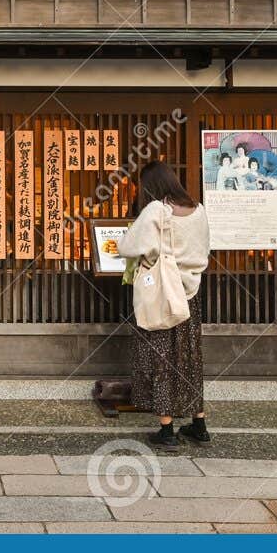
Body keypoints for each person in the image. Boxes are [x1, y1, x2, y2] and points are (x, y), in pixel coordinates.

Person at [116, 161, 212, 447]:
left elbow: (128, 247)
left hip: (162, 293)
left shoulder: (157, 210)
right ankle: (199, 423)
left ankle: (167, 429)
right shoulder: (199, 209)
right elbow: (205, 248)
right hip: (189, 294)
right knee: (189, 358)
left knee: (161, 357)